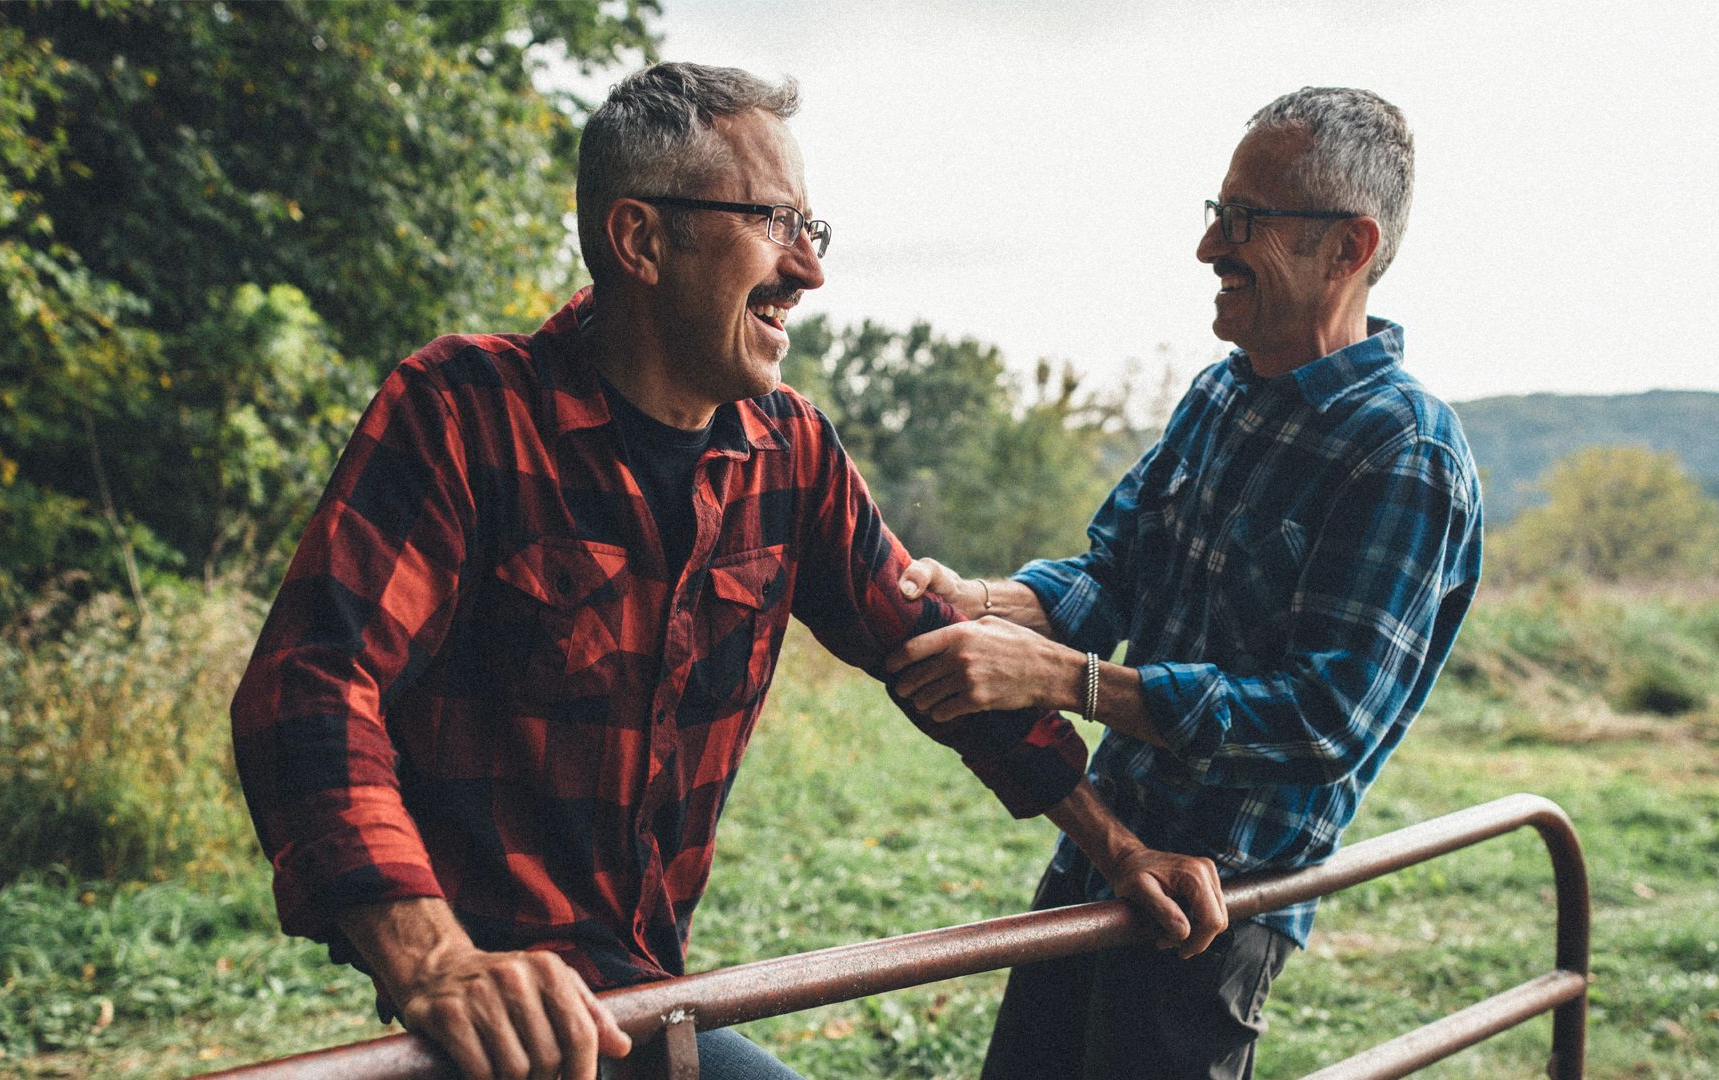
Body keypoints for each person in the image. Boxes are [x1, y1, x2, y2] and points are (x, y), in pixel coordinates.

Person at [231, 62, 1227, 1080]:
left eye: (814, 229)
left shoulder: (789, 451)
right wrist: (437, 963)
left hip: (650, 997)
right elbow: (309, 690)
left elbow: (936, 658)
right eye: (773, 221)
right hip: (488, 1024)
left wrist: (1119, 849)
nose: (810, 270)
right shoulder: (463, 411)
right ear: (641, 239)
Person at [886, 87, 1483, 1079]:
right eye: (1216, 213)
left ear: (1349, 247)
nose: (1211, 248)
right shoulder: (1221, 393)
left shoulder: (1404, 453)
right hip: (1103, 850)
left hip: (1217, 907)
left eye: (1245, 220)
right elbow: (1112, 576)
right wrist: (978, 599)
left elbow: (1326, 721)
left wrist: (1069, 682)